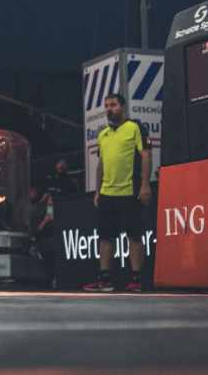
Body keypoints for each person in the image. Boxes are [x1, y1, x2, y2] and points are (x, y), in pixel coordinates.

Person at [83, 93, 152, 293]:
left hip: (130, 191)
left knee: (135, 236)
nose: (109, 109)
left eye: (113, 105)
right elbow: (101, 165)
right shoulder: (103, 134)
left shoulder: (135, 127)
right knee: (105, 238)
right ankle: (105, 280)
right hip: (107, 194)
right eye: (106, 105)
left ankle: (136, 280)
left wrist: (145, 185)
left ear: (122, 106)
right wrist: (98, 191)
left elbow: (146, 156)